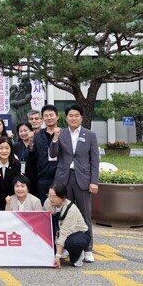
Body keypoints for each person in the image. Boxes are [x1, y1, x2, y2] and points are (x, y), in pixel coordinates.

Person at [49, 104, 99, 263]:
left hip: (83, 179)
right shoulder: (61, 133)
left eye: (77, 115)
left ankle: (88, 249)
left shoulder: (90, 135)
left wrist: (94, 181)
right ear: (66, 118)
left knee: (85, 215)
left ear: (81, 117)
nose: (74, 118)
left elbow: (94, 160)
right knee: (64, 214)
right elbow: (53, 154)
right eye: (71, 115)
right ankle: (64, 248)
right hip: (64, 179)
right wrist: (55, 139)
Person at [45, 183, 90, 268]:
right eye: (49, 195)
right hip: (59, 231)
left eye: (54, 197)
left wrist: (57, 256)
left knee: (73, 243)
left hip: (77, 233)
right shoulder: (48, 202)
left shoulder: (71, 209)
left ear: (63, 197)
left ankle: (77, 256)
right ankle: (62, 250)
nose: (51, 199)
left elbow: (64, 233)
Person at [33, 105, 60, 203]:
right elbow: (34, 155)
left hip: (60, 176)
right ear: (43, 119)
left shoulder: (64, 134)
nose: (49, 118)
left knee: (60, 204)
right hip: (43, 176)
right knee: (44, 204)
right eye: (46, 116)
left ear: (57, 116)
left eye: (51, 115)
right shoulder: (38, 135)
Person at [0, 137, 22, 208]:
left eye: (7, 148)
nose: (4, 151)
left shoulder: (16, 163)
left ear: (11, 149)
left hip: (11, 197)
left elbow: (17, 181)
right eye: (1, 148)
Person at [14, 122, 38, 192]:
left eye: (25, 130)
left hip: (35, 176)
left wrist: (31, 143)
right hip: (21, 177)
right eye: (21, 131)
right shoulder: (16, 146)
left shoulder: (36, 143)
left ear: (31, 131)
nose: (23, 133)